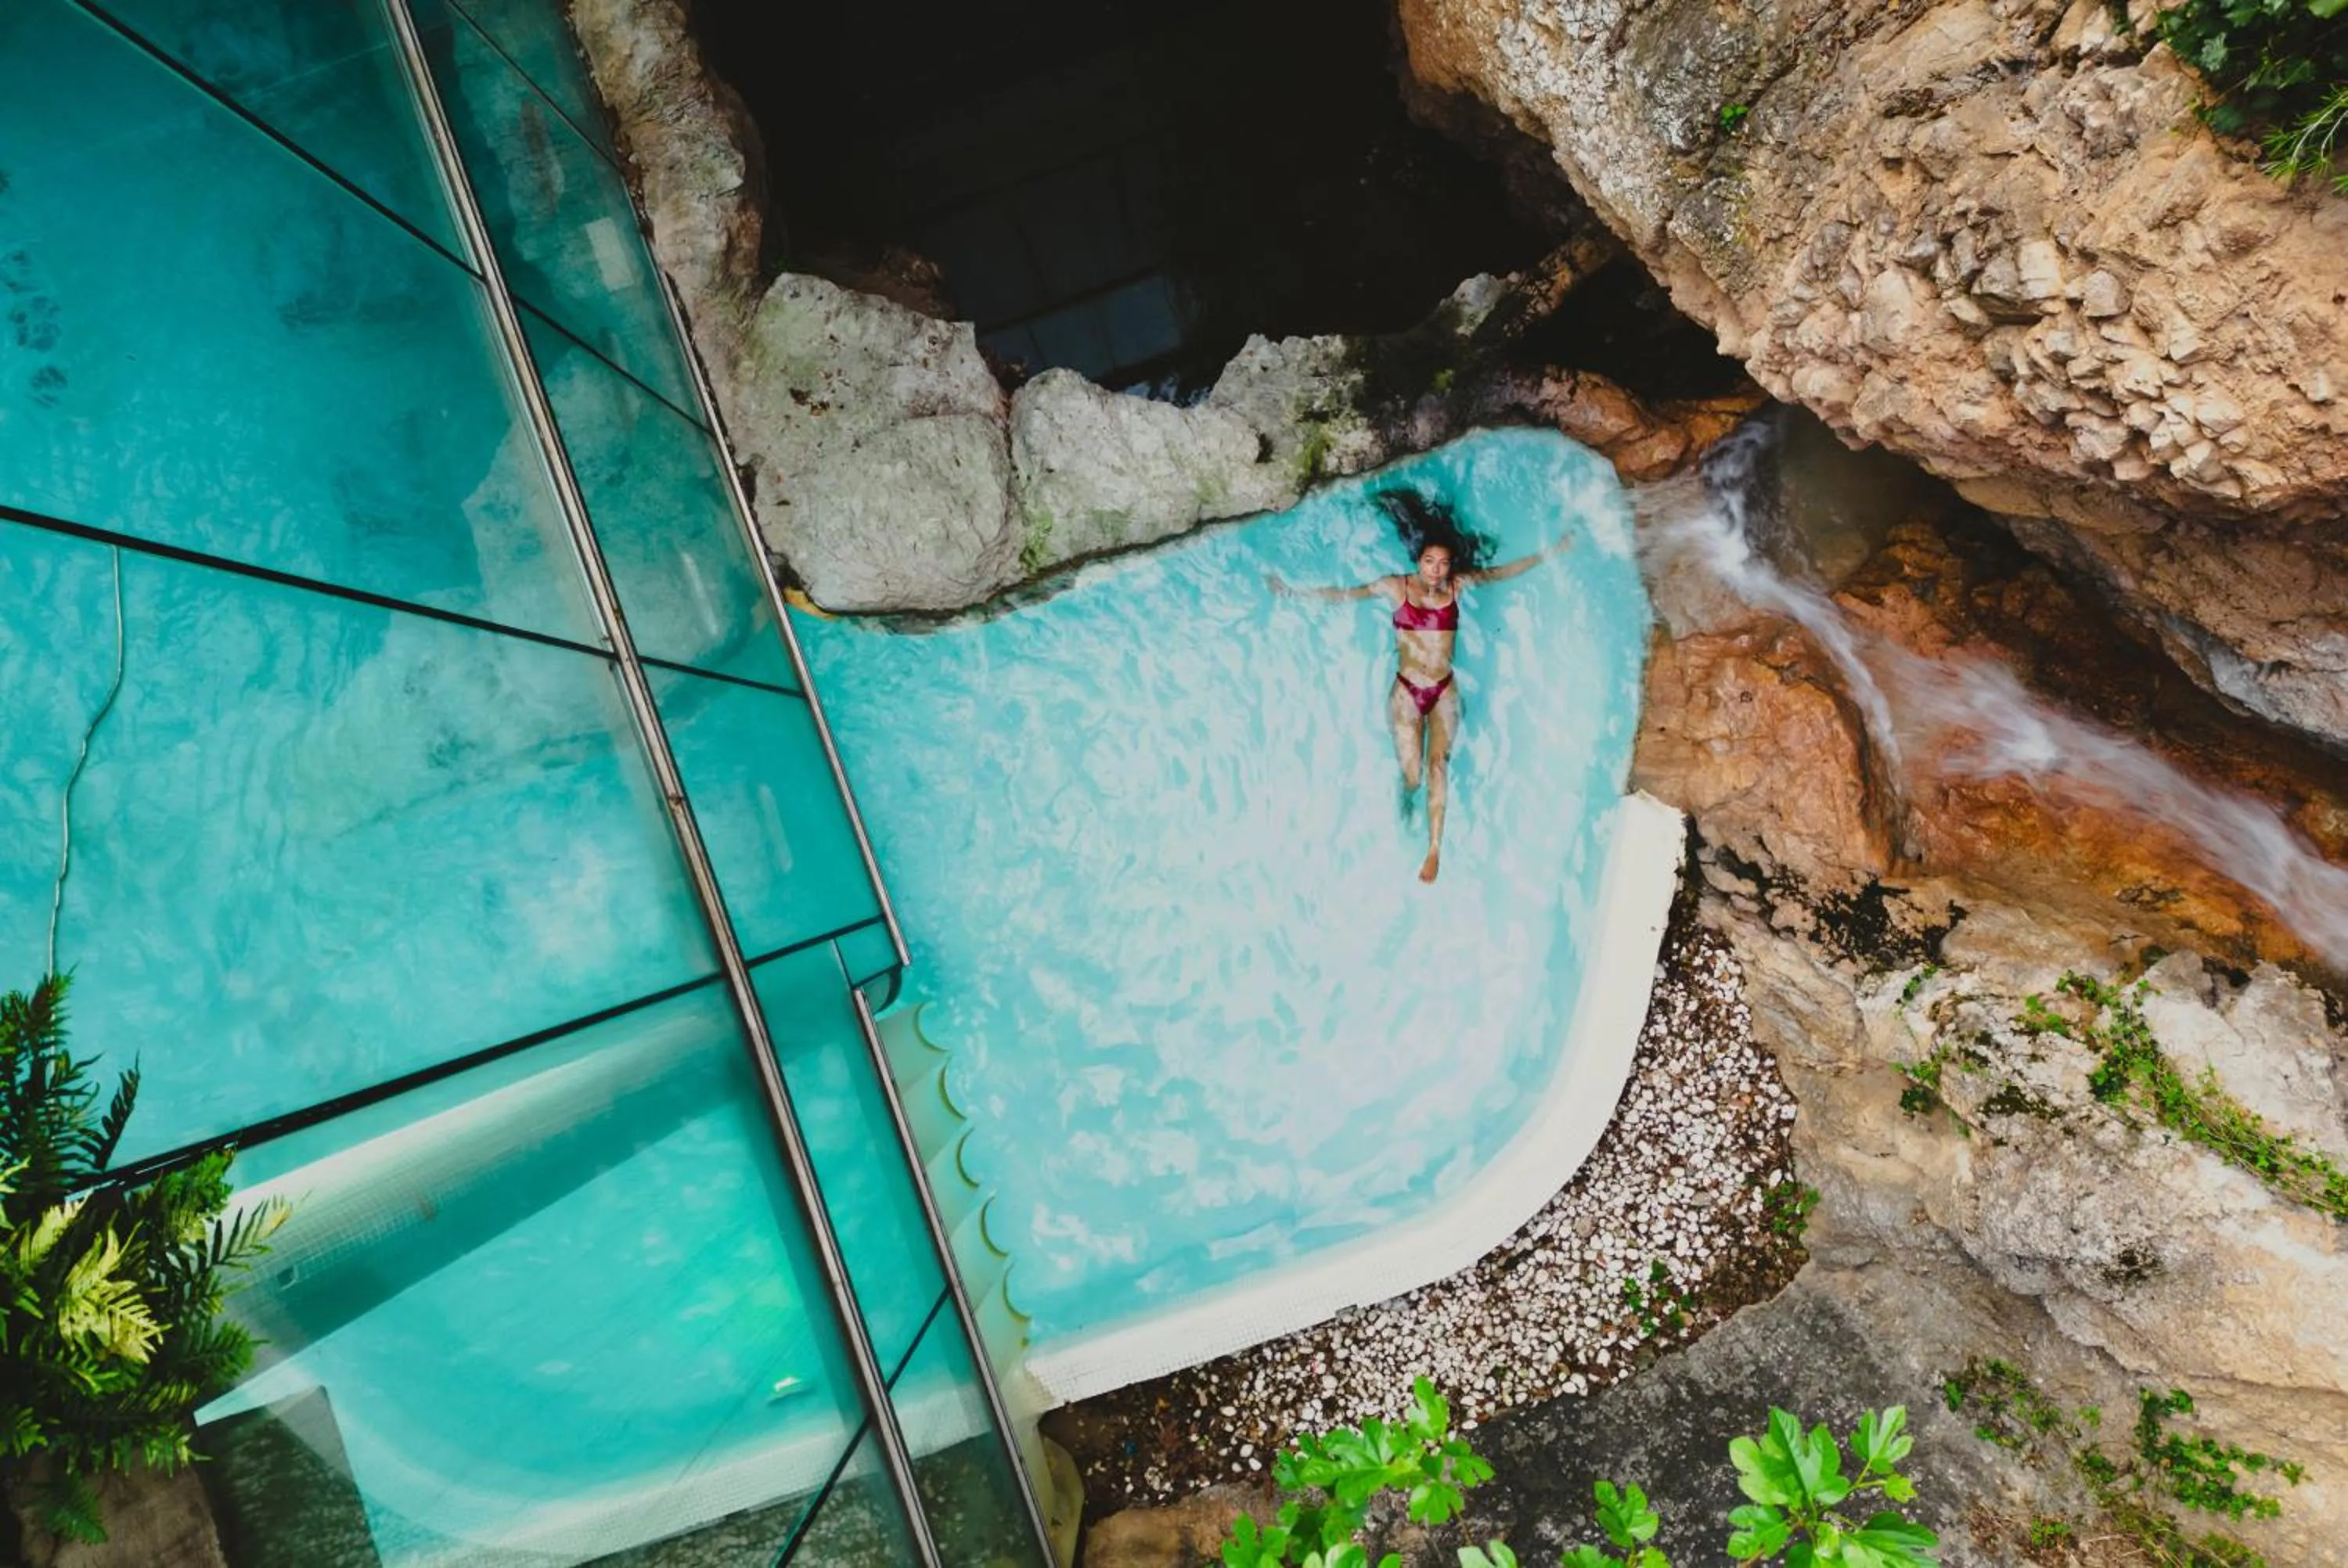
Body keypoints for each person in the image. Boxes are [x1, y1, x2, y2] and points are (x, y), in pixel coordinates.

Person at [1267, 490, 1570, 884]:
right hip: (1407, 693)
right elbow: (1345, 594)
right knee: (1413, 775)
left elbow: (1501, 573)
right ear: (1418, 561)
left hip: (1444, 690)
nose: (1436, 570)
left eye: (1443, 563)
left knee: (1438, 765)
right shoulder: (1395, 588)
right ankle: (1407, 802)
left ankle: (1434, 848)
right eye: (1429, 562)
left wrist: (1551, 552)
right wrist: (1293, 592)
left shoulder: (1457, 587)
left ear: (1449, 566)